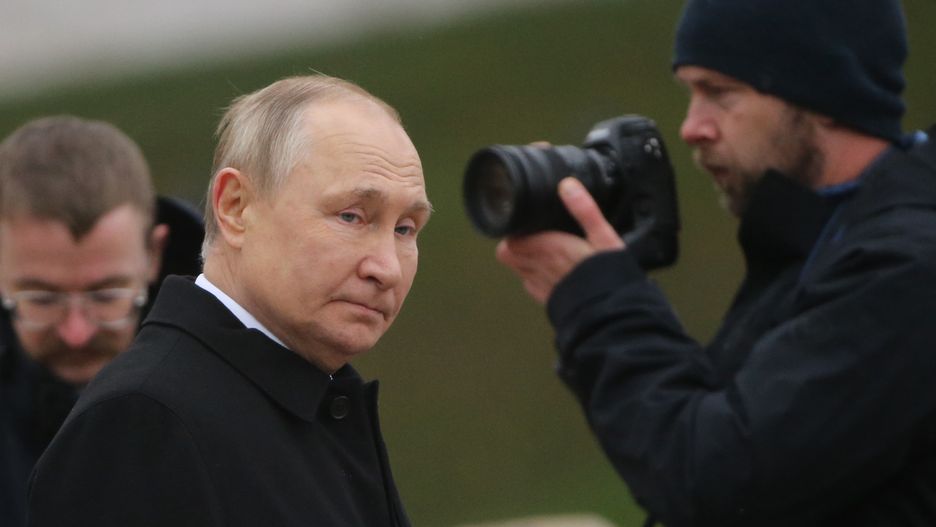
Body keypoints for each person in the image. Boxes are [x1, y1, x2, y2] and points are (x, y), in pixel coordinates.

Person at [495, 1, 936, 526]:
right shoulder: (828, 238)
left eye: (719, 93)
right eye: (690, 93)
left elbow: (716, 482)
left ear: (824, 93)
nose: (691, 127)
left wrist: (597, 302)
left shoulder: (907, 266)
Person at [27, 74, 431, 526]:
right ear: (236, 207)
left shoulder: (315, 399)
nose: (387, 268)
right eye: (351, 216)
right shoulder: (142, 421)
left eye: (405, 229)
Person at [0, 116, 203, 526]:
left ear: (153, 253)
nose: (77, 332)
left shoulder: (247, 367)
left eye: (106, 295)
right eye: (42, 299)